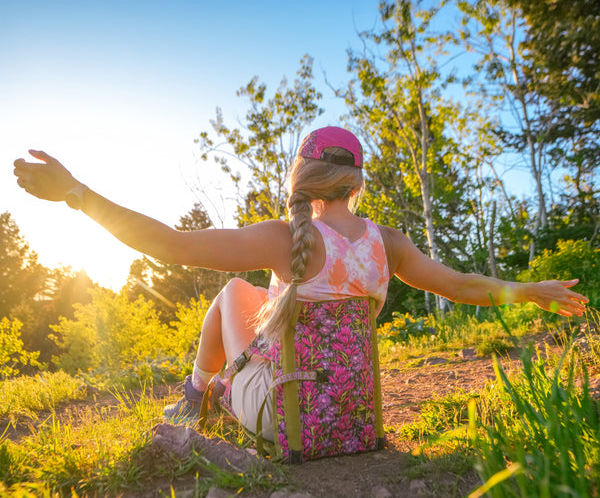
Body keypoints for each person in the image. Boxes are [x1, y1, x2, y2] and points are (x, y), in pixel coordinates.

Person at [13, 127, 589, 439]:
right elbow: (461, 285)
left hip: (288, 421)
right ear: (357, 181)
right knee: (259, 300)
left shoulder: (283, 238)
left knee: (235, 294)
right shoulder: (386, 242)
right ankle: (216, 398)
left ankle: (194, 399)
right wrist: (530, 290)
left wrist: (78, 195)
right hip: (357, 420)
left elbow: (172, 244)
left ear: (304, 178)